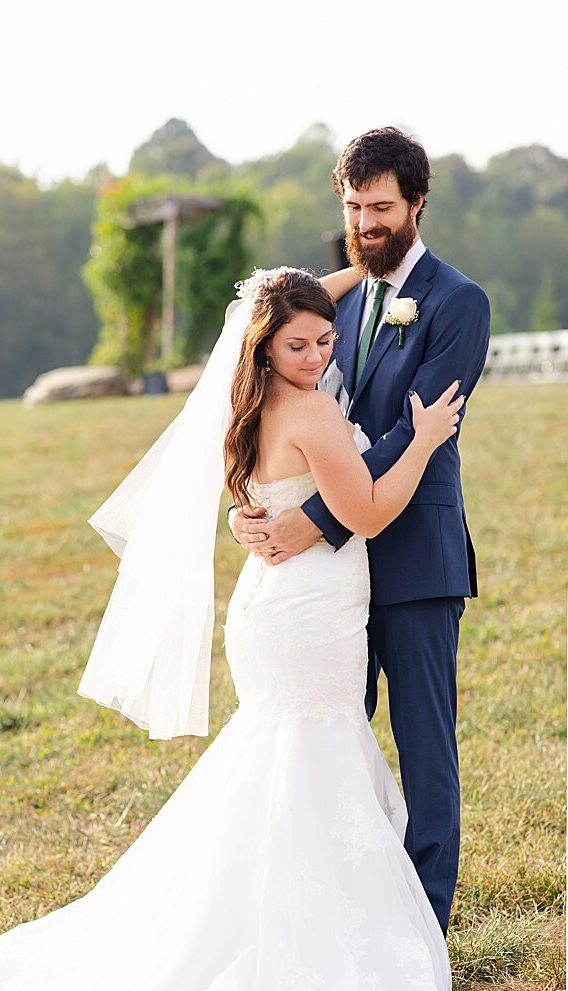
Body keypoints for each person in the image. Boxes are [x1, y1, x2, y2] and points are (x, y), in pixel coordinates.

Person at [0, 267, 465, 991]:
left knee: (284, 763)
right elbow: (372, 512)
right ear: (263, 347)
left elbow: (276, 475)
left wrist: (334, 279)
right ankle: (292, 947)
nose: (316, 356)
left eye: (324, 341)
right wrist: (423, 439)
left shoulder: (254, 408)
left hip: (278, 608)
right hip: (309, 613)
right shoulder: (308, 408)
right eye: (298, 344)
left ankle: (263, 926)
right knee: (310, 758)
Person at [232, 128, 491, 935]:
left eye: (381, 207)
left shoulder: (458, 303)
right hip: (326, 595)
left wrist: (307, 519)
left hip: (412, 556)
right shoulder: (346, 296)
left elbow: (417, 431)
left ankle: (424, 932)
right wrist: (254, 504)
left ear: (417, 204)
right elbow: (267, 383)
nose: (366, 221)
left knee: (422, 745)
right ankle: (330, 921)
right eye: (352, 206)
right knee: (330, 747)